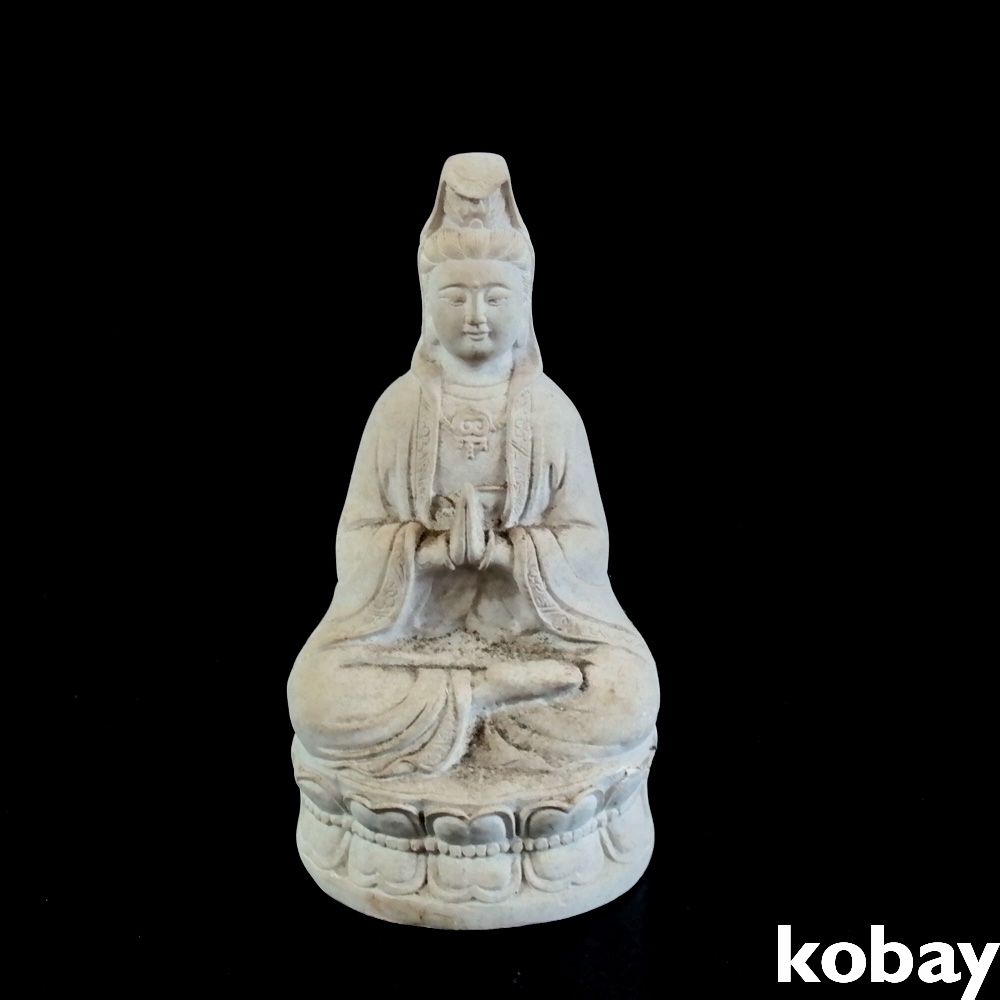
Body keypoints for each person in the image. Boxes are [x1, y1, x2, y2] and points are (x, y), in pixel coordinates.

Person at [288, 154, 658, 779]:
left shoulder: (551, 411)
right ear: (428, 305)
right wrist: (427, 555)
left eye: (495, 297)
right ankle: (484, 695)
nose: (476, 315)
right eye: (456, 297)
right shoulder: (399, 409)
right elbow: (355, 537)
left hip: (529, 630)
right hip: (415, 639)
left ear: (525, 302)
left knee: (625, 694)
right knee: (317, 695)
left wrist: (511, 555)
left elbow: (587, 539)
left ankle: (465, 709)